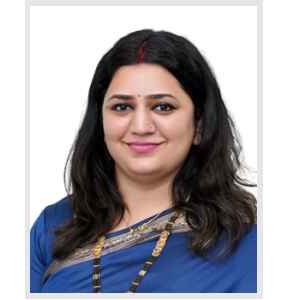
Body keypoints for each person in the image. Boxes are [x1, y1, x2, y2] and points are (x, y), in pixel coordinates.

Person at [30, 29, 257, 293]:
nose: (140, 126)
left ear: (199, 125)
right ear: (100, 121)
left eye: (163, 107)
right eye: (122, 107)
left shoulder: (245, 241)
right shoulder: (54, 226)